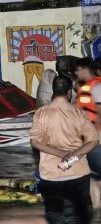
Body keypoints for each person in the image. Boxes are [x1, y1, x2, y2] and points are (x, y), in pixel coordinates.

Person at [30, 75, 99, 224]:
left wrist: (60, 153)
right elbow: (93, 141)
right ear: (69, 92)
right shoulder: (78, 112)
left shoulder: (41, 113)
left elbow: (35, 142)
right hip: (77, 175)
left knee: (55, 217)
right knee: (77, 218)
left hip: (51, 175)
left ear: (53, 91)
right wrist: (74, 154)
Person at [74, 58, 101, 175]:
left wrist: (95, 131)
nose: (76, 73)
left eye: (78, 70)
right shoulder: (87, 87)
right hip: (90, 137)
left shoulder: (97, 87)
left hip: (97, 138)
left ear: (85, 70)